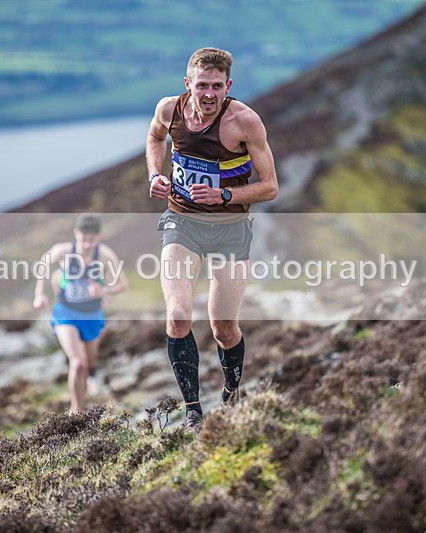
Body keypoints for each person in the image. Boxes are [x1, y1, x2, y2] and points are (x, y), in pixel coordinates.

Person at [146, 47, 278, 432]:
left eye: (216, 87)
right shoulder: (169, 110)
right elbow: (155, 138)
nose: (208, 94)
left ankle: (232, 393)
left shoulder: (244, 122)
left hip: (230, 230)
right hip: (181, 223)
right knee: (177, 314)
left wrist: (224, 196)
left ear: (228, 86)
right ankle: (192, 410)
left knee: (223, 326)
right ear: (187, 84)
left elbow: (269, 187)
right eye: (201, 85)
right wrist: (155, 175)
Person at [33, 214, 128, 414]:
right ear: (76, 233)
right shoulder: (64, 251)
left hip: (92, 314)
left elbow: (122, 284)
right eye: (83, 238)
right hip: (66, 313)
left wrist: (105, 291)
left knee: (88, 364)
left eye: (91, 239)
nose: (86, 244)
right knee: (78, 362)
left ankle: (87, 383)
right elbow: (42, 264)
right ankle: (76, 411)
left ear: (99, 236)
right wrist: (39, 293)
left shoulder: (105, 255)